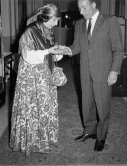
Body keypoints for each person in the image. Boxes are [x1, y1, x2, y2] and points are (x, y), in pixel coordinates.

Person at [60, 0, 124, 151]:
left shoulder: (110, 21)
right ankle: (90, 131)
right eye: (79, 8)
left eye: (84, 7)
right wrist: (64, 50)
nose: (81, 12)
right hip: (85, 71)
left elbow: (118, 49)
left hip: (103, 71)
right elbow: (76, 47)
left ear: (94, 5)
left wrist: (114, 70)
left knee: (102, 105)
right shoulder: (79, 24)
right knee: (86, 102)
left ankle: (101, 137)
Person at [9, 4, 65, 156]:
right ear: (46, 18)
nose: (56, 23)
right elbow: (27, 56)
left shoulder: (48, 31)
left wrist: (59, 52)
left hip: (45, 74)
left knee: (45, 107)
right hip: (32, 77)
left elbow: (50, 54)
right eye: (54, 20)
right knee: (35, 107)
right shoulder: (30, 31)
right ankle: (33, 143)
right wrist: (48, 51)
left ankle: (44, 139)